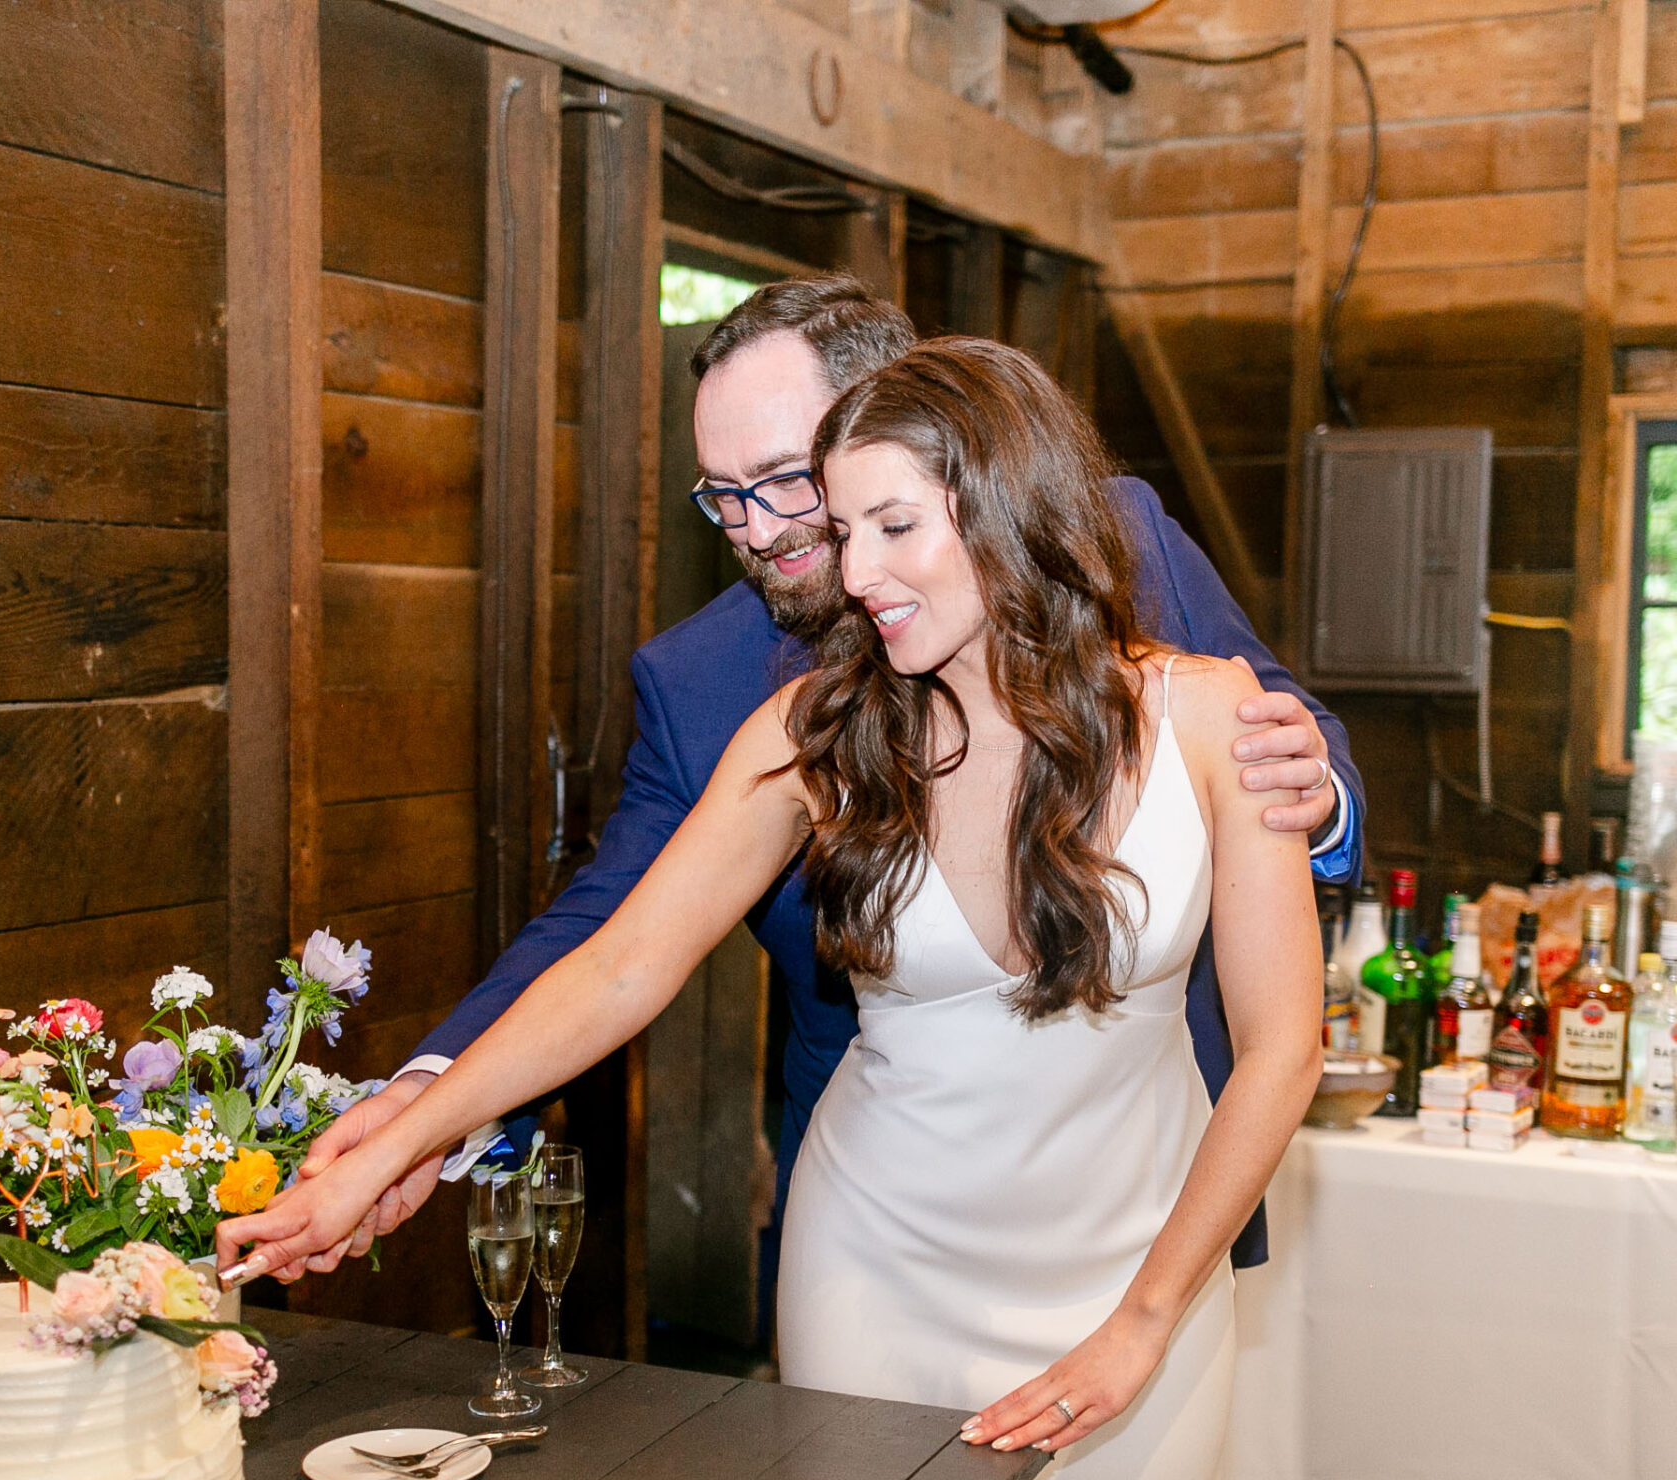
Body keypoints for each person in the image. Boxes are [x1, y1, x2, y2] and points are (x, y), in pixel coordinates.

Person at [221, 338, 1322, 1480]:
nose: (853, 572)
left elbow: (1284, 1045)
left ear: (1007, 503)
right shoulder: (808, 732)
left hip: (1136, 1265)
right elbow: (623, 964)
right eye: (843, 530)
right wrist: (401, 1137)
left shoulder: (1216, 720)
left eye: (893, 525)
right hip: (880, 1263)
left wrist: (1147, 1318)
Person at [253, 276, 1361, 1297]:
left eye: (787, 483)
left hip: (1149, 1180)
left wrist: (1306, 800)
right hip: (885, 1203)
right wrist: (419, 1107)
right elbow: (614, 942)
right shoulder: (713, 689)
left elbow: (1284, 732)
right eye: (722, 498)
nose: (764, 532)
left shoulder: (1114, 539)